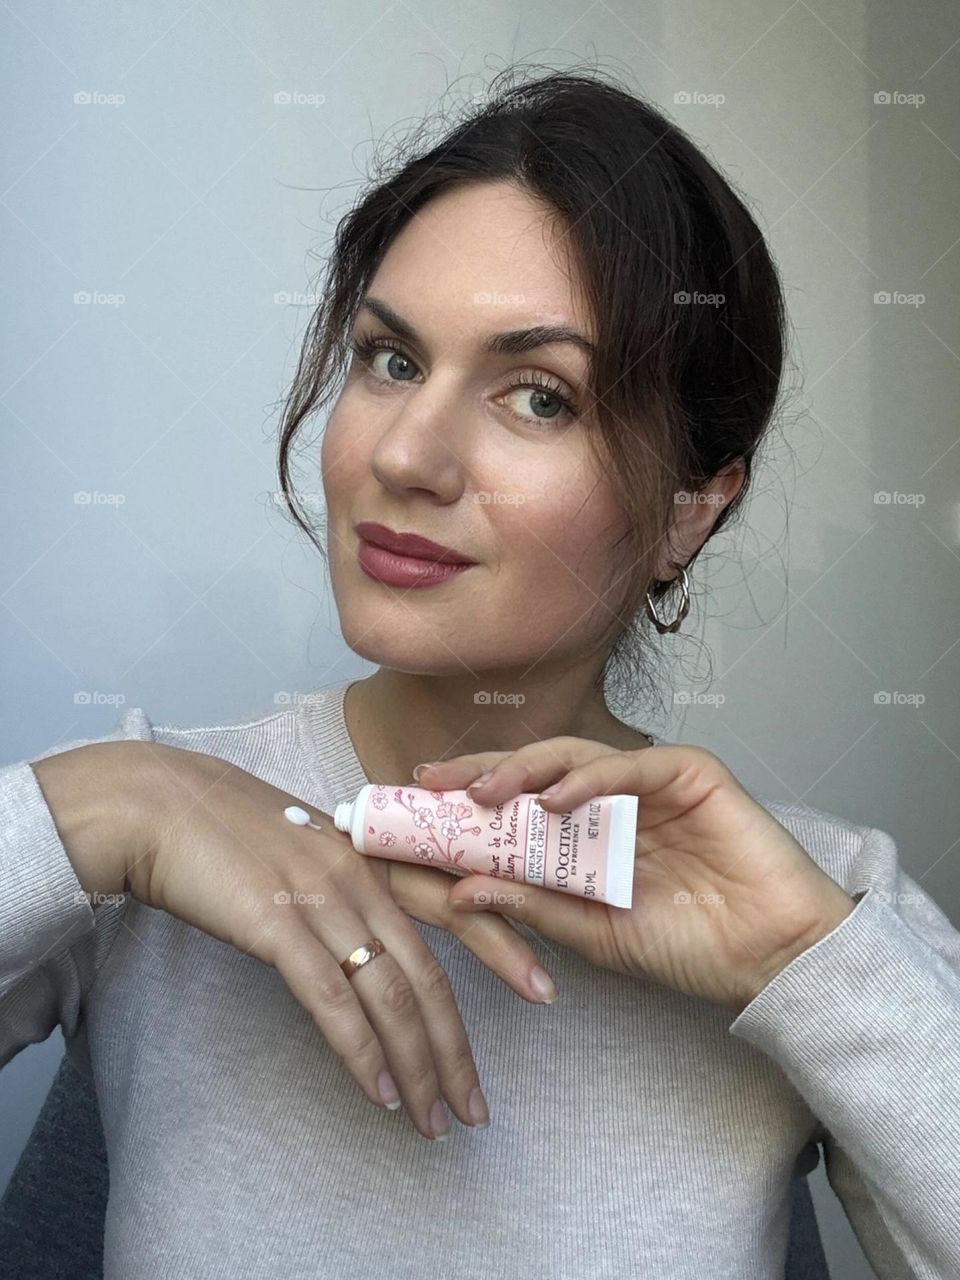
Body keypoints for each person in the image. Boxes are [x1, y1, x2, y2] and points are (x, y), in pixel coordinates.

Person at [3, 66, 959, 1279]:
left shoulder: (831, 906)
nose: (405, 453)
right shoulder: (153, 835)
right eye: (391, 359)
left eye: (539, 396)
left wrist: (805, 966)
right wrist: (102, 804)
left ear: (688, 511)